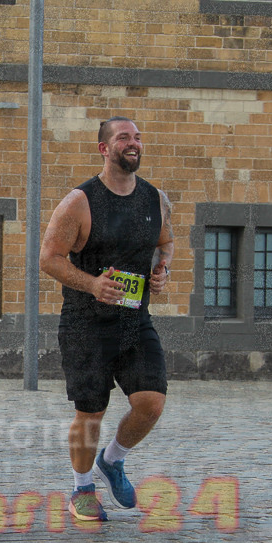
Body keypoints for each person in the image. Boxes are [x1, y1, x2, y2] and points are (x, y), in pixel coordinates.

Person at [39, 116, 174, 522]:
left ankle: (112, 460)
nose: (133, 143)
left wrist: (161, 269)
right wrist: (92, 284)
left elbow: (166, 243)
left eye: (137, 137)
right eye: (123, 138)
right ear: (104, 148)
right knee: (90, 413)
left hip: (135, 320)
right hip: (86, 323)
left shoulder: (156, 199)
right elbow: (48, 259)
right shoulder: (79, 202)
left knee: (151, 403)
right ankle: (82, 489)